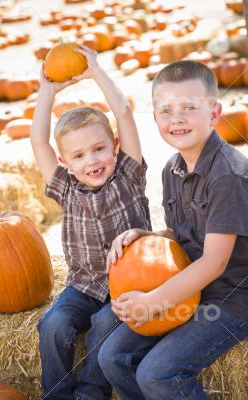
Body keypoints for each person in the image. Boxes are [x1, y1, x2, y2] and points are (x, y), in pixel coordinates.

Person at [98, 60, 248, 400]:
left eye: (189, 108)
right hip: (189, 290)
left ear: (214, 113)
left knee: (158, 373)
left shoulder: (227, 175)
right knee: (112, 356)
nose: (176, 118)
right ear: (155, 118)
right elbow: (185, 236)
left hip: (231, 298)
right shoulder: (173, 169)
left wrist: (152, 302)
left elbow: (213, 263)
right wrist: (147, 236)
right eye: (166, 110)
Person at [30, 45, 151, 400]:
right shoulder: (65, 187)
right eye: (79, 155)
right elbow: (38, 139)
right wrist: (47, 91)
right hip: (82, 286)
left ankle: (90, 393)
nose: (92, 161)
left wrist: (96, 70)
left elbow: (125, 113)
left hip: (127, 285)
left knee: (104, 324)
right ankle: (57, 394)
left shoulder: (129, 173)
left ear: (114, 146)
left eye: (99, 149)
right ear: (65, 161)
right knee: (52, 324)